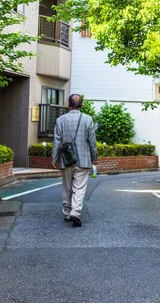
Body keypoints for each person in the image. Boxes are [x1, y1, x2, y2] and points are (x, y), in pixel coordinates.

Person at [51, 94, 98, 227]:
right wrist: (95, 157)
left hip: (66, 159)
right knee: (80, 188)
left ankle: (67, 213)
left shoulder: (60, 120)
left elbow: (56, 141)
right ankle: (75, 213)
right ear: (81, 105)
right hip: (83, 160)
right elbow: (92, 141)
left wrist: (54, 158)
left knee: (67, 187)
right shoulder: (88, 119)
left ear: (68, 104)